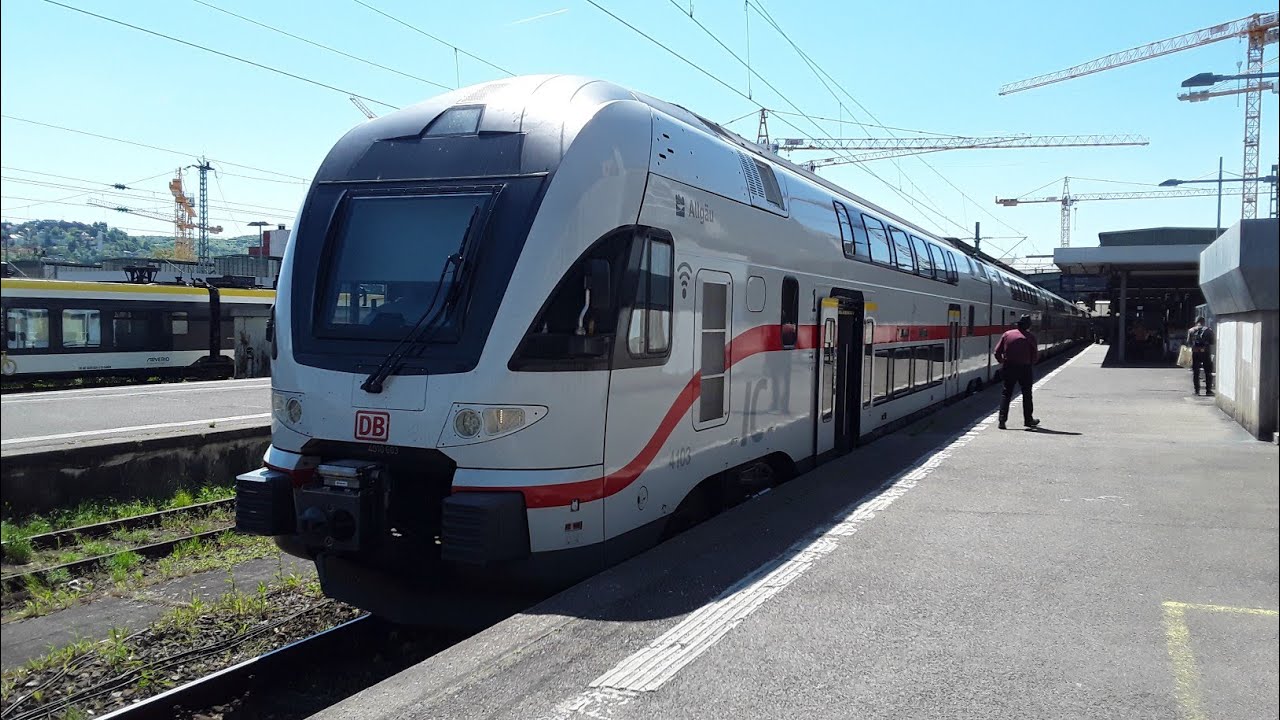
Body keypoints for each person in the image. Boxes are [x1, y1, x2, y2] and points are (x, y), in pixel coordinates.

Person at [994, 315, 1041, 430]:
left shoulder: (1007, 334)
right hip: (1025, 368)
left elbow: (997, 352)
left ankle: (1002, 421)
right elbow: (1034, 356)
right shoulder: (1030, 337)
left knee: (1006, 393)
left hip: (1009, 366)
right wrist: (1030, 363)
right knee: (1027, 394)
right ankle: (1028, 420)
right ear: (1028, 325)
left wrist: (1003, 362)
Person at [1187, 316, 1214, 396]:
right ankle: (1208, 391)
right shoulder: (1208, 330)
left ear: (1196, 321)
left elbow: (1188, 342)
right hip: (1205, 352)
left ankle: (1197, 391)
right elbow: (1212, 342)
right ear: (1203, 322)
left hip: (1195, 353)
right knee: (1208, 372)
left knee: (1196, 372)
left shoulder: (1191, 330)